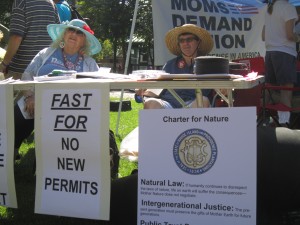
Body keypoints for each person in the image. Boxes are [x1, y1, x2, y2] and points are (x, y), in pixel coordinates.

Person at [14, 19, 101, 156]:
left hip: (74, 110)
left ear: (84, 41)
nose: (74, 34)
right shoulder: (46, 53)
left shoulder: (90, 63)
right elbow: (27, 74)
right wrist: (30, 96)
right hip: (38, 101)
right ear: (64, 34)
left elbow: (99, 90)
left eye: (79, 33)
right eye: (71, 30)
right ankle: (12, 148)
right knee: (17, 116)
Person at [135, 24, 213, 109]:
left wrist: (223, 90)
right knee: (151, 103)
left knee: (202, 101)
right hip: (169, 104)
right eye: (181, 41)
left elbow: (221, 89)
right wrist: (142, 91)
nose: (185, 43)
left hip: (193, 103)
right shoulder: (169, 65)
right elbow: (157, 89)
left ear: (198, 42)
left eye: (189, 39)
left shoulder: (208, 65)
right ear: (179, 44)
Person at [261, 0, 299, 126]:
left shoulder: (269, 8)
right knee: (285, 92)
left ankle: (260, 120)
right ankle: (284, 125)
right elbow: (289, 35)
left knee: (269, 90)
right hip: (285, 53)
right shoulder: (288, 7)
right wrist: (298, 37)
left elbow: (263, 36)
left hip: (270, 53)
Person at [0, 0, 60, 79]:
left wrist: (4, 64)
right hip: (44, 69)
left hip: (21, 70)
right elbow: (58, 36)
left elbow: (16, 37)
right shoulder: (51, 3)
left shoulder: (21, 2)